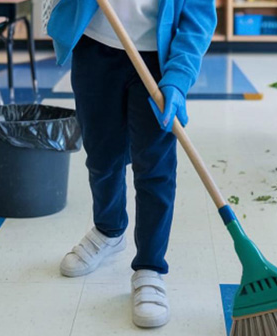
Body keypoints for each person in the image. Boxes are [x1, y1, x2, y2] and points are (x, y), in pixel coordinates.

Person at [46, 0, 215, 328]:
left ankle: (150, 265)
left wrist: (178, 77)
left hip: (156, 60)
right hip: (94, 48)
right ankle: (108, 230)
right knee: (101, 156)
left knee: (155, 168)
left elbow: (198, 17)